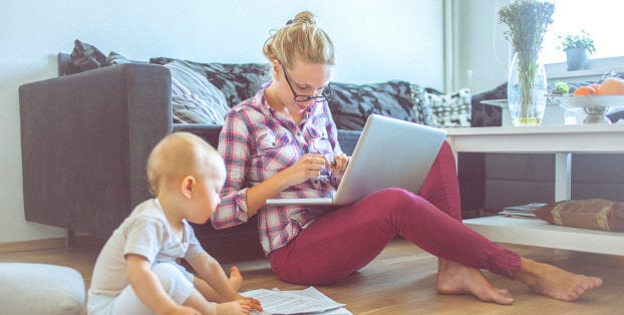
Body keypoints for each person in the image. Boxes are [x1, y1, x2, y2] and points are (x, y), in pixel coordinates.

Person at [211, 11, 603, 305]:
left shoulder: (317, 109)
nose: (311, 101)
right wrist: (284, 178)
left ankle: (453, 266)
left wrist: (345, 167)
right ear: (276, 69)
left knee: (437, 151)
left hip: (337, 227)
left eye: (321, 90)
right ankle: (525, 269)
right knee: (395, 202)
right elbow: (221, 214)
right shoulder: (242, 120)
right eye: (303, 89)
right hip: (294, 251)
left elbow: (331, 179)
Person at [87, 132, 262, 315]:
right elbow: (136, 273)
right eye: (216, 190)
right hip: (108, 308)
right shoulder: (149, 221)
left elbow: (207, 265)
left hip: (136, 302)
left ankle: (221, 299)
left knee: (177, 272)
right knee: (166, 272)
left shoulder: (182, 228)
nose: (219, 200)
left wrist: (233, 296)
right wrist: (170, 310)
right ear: (189, 187)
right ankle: (213, 310)